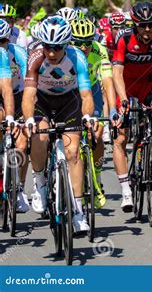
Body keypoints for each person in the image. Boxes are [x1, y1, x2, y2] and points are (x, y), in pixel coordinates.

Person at [23, 15, 94, 234]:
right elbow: (28, 95)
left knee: (73, 152)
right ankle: (40, 183)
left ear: (66, 44)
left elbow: (86, 94)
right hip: (42, 102)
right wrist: (27, 120)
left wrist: (88, 116)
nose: (51, 53)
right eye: (47, 47)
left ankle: (79, 211)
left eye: (57, 47)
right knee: (40, 136)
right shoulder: (36, 57)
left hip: (69, 101)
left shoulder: (77, 57)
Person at [112, 1, 152, 212]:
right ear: (135, 24)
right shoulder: (124, 38)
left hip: (147, 84)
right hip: (125, 86)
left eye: (151, 24)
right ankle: (126, 190)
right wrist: (122, 100)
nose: (147, 29)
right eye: (142, 25)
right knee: (121, 136)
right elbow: (116, 73)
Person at [70, 18, 115, 203]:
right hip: (71, 92)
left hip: (93, 90)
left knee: (96, 133)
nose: (83, 47)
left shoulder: (99, 50)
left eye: (87, 42)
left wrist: (113, 110)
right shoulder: (67, 52)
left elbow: (108, 81)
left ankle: (96, 175)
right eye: (78, 42)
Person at [0, 19, 25, 210]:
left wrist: (17, 117)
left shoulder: (18, 54)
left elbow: (27, 85)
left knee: (22, 144)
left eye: (2, 40)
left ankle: (19, 188)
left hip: (18, 95)